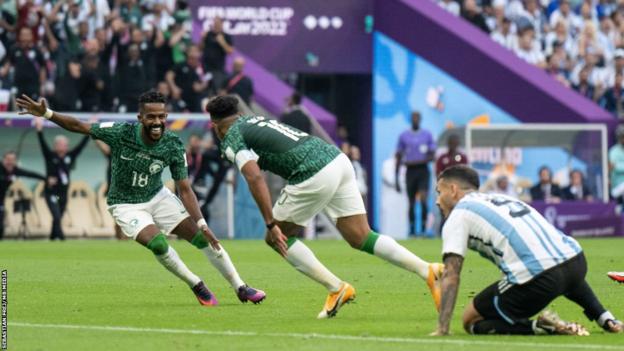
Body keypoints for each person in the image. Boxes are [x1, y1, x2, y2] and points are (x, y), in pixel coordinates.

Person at [17, 91, 265, 306]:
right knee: (158, 244)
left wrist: (202, 224)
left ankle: (241, 287)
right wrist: (47, 113)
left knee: (204, 238)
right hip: (125, 204)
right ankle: (196, 284)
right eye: (151, 116)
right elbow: (80, 126)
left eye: (162, 116)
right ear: (140, 118)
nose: (157, 122)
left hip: (158, 197)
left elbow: (185, 188)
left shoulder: (173, 144)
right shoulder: (120, 133)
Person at [206, 95, 443, 319]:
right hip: (337, 159)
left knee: (275, 236)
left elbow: (254, 177)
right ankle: (427, 270)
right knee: (360, 236)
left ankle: (336, 288)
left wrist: (270, 223)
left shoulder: (231, 137)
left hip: (311, 172)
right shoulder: (251, 120)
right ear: (237, 113)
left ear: (215, 126)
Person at [432, 165, 622, 336]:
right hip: (576, 261)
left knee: (470, 320)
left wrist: (443, 327)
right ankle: (607, 319)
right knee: (559, 266)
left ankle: (542, 327)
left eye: (439, 192)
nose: (437, 201)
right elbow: (557, 260)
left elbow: (451, 274)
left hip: (538, 278)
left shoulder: (458, 216)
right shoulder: (501, 197)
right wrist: (601, 315)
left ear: (453, 190)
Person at [35, 118, 90, 240]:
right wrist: (39, 130)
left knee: (59, 216)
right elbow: (42, 144)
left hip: (63, 192)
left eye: (65, 145)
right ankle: (61, 237)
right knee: (56, 215)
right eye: (61, 144)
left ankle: (52, 238)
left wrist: (88, 131)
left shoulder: (70, 156)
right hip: (51, 192)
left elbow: (81, 147)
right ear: (55, 146)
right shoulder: (50, 156)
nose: (64, 146)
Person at [395, 111, 435, 235]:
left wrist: (415, 162)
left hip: (423, 171)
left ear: (421, 119)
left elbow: (432, 155)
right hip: (410, 172)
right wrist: (396, 178)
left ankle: (423, 228)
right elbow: (399, 156)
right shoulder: (404, 136)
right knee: (411, 202)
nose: (415, 120)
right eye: (413, 118)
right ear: (410, 119)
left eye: (417, 118)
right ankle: (412, 229)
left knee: (423, 200)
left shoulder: (427, 135)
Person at [0, 150, 45, 239]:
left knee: (0, 224)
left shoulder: (15, 170)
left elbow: (30, 174)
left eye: (12, 160)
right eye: (8, 159)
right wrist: (7, 177)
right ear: (3, 160)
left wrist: (45, 179)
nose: (10, 162)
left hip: (0, 199)